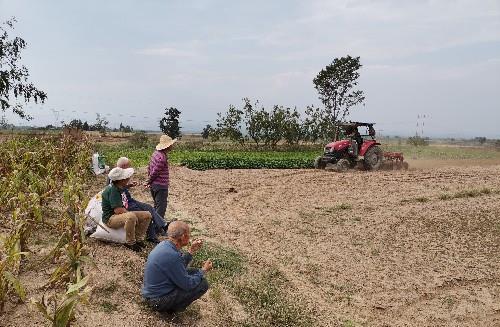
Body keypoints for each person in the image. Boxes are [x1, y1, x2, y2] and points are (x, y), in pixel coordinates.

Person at [142, 221, 212, 313]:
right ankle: (172, 310)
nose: (190, 237)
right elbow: (187, 285)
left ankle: (172, 305)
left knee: (194, 271)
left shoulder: (165, 245)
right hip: (157, 301)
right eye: (188, 234)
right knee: (203, 284)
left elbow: (178, 265)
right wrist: (203, 270)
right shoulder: (173, 255)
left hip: (152, 293)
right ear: (183, 237)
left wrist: (191, 251)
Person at [114, 157, 168, 243]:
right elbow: (116, 192)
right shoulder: (115, 177)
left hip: (129, 200)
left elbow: (121, 187)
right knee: (146, 213)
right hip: (125, 203)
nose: (130, 167)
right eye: (129, 166)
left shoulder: (121, 174)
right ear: (124, 166)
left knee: (148, 207)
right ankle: (152, 235)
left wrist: (129, 185)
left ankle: (163, 225)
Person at [101, 167, 152, 252]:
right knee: (131, 216)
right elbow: (118, 210)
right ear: (121, 180)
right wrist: (133, 216)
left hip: (117, 214)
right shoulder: (113, 191)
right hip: (110, 218)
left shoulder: (118, 186)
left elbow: (123, 187)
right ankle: (130, 243)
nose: (128, 178)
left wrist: (129, 185)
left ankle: (138, 238)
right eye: (126, 178)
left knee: (147, 215)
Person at [146, 135, 177, 219]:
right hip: (160, 186)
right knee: (161, 208)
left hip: (154, 185)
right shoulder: (162, 158)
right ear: (168, 146)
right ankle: (157, 228)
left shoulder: (155, 153)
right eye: (171, 144)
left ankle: (154, 224)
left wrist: (149, 181)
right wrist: (148, 181)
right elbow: (155, 172)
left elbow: (149, 167)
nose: (172, 146)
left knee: (157, 205)